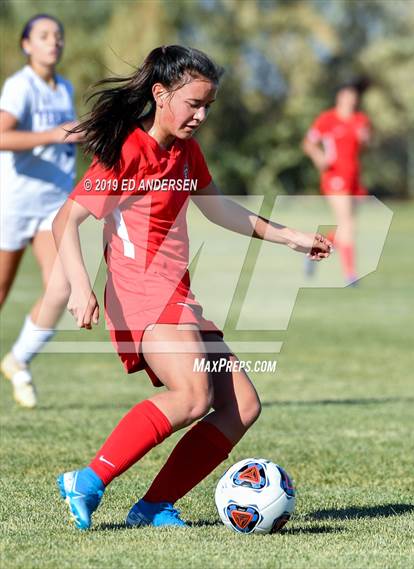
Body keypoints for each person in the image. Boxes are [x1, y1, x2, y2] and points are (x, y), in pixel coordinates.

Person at [52, 45, 332, 531]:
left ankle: (154, 506)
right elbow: (66, 219)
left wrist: (290, 237)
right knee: (192, 394)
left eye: (209, 106)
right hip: (139, 290)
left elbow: (220, 209)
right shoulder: (129, 151)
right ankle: (89, 480)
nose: (201, 115)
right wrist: (80, 286)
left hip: (176, 292)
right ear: (161, 95)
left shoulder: (186, 153)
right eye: (193, 104)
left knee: (241, 406)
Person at [0, 14, 82, 408]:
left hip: (52, 205)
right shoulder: (20, 86)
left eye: (59, 35)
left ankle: (18, 361)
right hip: (15, 203)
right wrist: (54, 134)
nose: (54, 42)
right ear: (26, 44)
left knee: (60, 286)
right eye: (45, 35)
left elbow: (62, 144)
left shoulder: (64, 87)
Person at [302, 78, 371, 285]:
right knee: (347, 224)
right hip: (334, 176)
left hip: (354, 179)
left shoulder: (360, 120)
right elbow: (308, 143)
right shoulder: (327, 119)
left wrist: (366, 139)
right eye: (347, 94)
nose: (351, 99)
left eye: (354, 95)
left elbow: (364, 147)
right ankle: (350, 274)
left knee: (347, 227)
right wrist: (318, 157)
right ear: (339, 97)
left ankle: (314, 249)